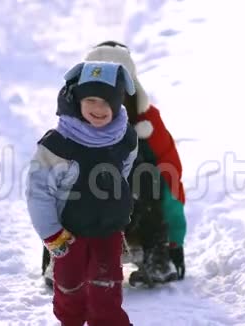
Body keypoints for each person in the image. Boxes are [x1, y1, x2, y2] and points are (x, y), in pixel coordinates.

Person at [41, 40, 188, 288]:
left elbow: (170, 179)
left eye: (114, 93)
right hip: (84, 223)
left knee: (148, 174)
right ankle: (66, 259)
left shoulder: (147, 124)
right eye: (95, 96)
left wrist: (174, 243)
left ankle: (155, 257)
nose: (103, 106)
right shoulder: (72, 127)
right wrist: (52, 249)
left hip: (136, 220)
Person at [26, 60, 137, 326]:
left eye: (106, 102)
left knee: (107, 289)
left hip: (107, 231)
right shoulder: (58, 145)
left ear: (117, 102)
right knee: (70, 288)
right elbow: (39, 193)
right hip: (68, 235)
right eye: (91, 100)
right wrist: (52, 234)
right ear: (76, 100)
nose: (98, 109)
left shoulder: (124, 137)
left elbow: (125, 168)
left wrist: (114, 204)